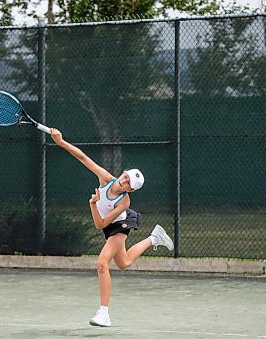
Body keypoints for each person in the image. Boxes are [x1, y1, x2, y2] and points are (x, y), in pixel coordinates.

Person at [50, 128, 174, 327]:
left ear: (130, 190)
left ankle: (104, 313)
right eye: (125, 176)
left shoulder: (124, 203)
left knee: (102, 263)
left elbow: (100, 224)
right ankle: (154, 238)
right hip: (110, 226)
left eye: (128, 183)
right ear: (123, 173)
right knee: (124, 263)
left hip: (120, 225)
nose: (124, 181)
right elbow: (83, 157)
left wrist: (92, 204)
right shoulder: (106, 179)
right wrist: (61, 142)